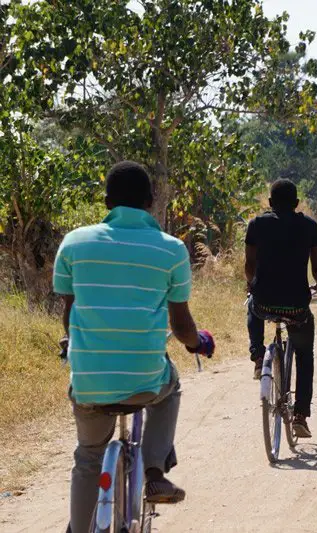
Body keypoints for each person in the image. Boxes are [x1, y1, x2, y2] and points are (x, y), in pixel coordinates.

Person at [54, 161, 216, 533]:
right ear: (149, 201)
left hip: (91, 381)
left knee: (88, 457)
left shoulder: (75, 243)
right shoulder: (171, 250)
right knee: (170, 385)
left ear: (107, 200)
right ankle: (155, 470)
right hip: (145, 379)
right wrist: (199, 343)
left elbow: (70, 312)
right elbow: (181, 325)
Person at [245, 179, 317, 438]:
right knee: (305, 356)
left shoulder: (256, 225)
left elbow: (249, 267)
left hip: (264, 304)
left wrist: (252, 285)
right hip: (296, 308)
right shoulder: (309, 226)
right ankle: (301, 416)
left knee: (252, 304)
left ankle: (259, 355)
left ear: (270, 203)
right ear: (296, 204)